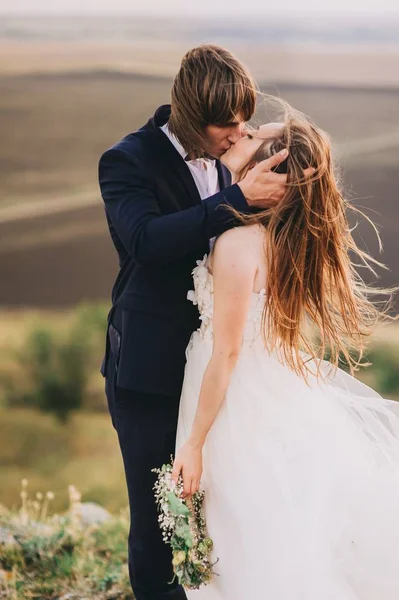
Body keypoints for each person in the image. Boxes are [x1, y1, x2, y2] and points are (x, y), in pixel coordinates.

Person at [174, 104, 399, 600]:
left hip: (231, 399)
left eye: (257, 136)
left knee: (243, 536)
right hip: (265, 384)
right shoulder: (284, 241)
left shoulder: (236, 243)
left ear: (268, 171)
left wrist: (193, 443)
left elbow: (227, 353)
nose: (244, 134)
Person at [98, 45, 296, 600]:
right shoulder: (127, 161)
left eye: (244, 120)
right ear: (187, 115)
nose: (238, 134)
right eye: (226, 125)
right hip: (149, 367)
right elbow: (146, 241)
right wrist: (232, 194)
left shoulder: (231, 147)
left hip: (217, 371)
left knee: (231, 513)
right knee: (159, 513)